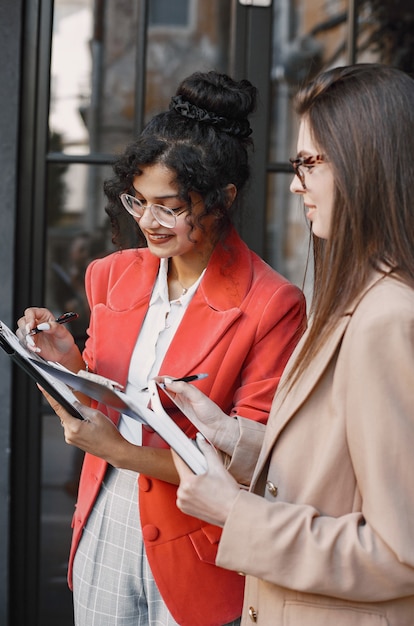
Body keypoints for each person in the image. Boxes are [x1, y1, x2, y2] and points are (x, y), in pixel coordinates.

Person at [17, 70, 306, 626]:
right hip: (103, 524)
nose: (147, 222)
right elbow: (110, 400)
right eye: (137, 200)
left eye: (170, 206)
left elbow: (251, 463)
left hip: (200, 554)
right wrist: (65, 360)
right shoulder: (112, 275)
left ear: (222, 199)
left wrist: (120, 453)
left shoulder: (272, 305)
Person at [169, 64, 414, 626]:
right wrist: (235, 438)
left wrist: (237, 513)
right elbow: (341, 469)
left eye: (307, 163)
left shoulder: (387, 318)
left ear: (365, 165)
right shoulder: (356, 294)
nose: (295, 183)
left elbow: (402, 554)